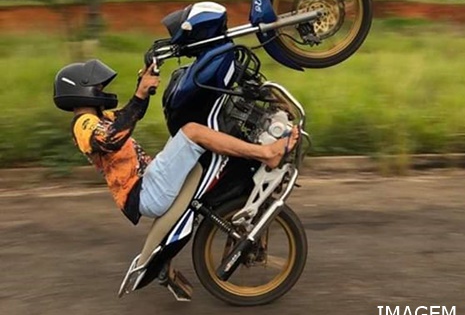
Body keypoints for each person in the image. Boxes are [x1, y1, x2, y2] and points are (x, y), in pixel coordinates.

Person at [53, 58, 299, 300]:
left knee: (199, 142)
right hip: (145, 191)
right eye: (99, 87)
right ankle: (266, 153)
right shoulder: (83, 124)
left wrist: (143, 87)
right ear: (81, 90)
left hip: (149, 184)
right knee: (191, 131)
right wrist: (139, 95)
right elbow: (111, 138)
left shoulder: (99, 117)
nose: (103, 91)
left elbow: (128, 115)